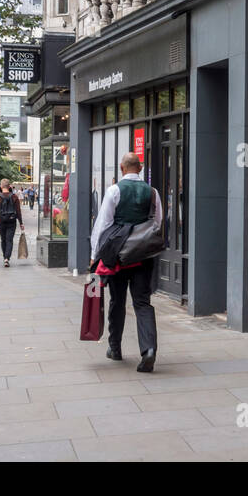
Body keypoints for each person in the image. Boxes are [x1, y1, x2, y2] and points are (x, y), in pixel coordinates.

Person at [90, 152, 162, 372]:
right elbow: (157, 223)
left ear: (122, 168)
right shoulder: (153, 192)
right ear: (139, 168)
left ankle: (115, 348)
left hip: (118, 256)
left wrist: (95, 254)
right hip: (142, 256)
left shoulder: (114, 191)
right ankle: (149, 350)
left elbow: (103, 224)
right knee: (142, 303)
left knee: (117, 301)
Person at [0, 178, 24, 268]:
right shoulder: (14, 197)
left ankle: (5, 256)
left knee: (3, 240)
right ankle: (7, 258)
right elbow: (18, 211)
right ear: (9, 186)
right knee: (9, 240)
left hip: (1, 221)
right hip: (12, 221)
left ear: (1, 186)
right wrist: (21, 223)